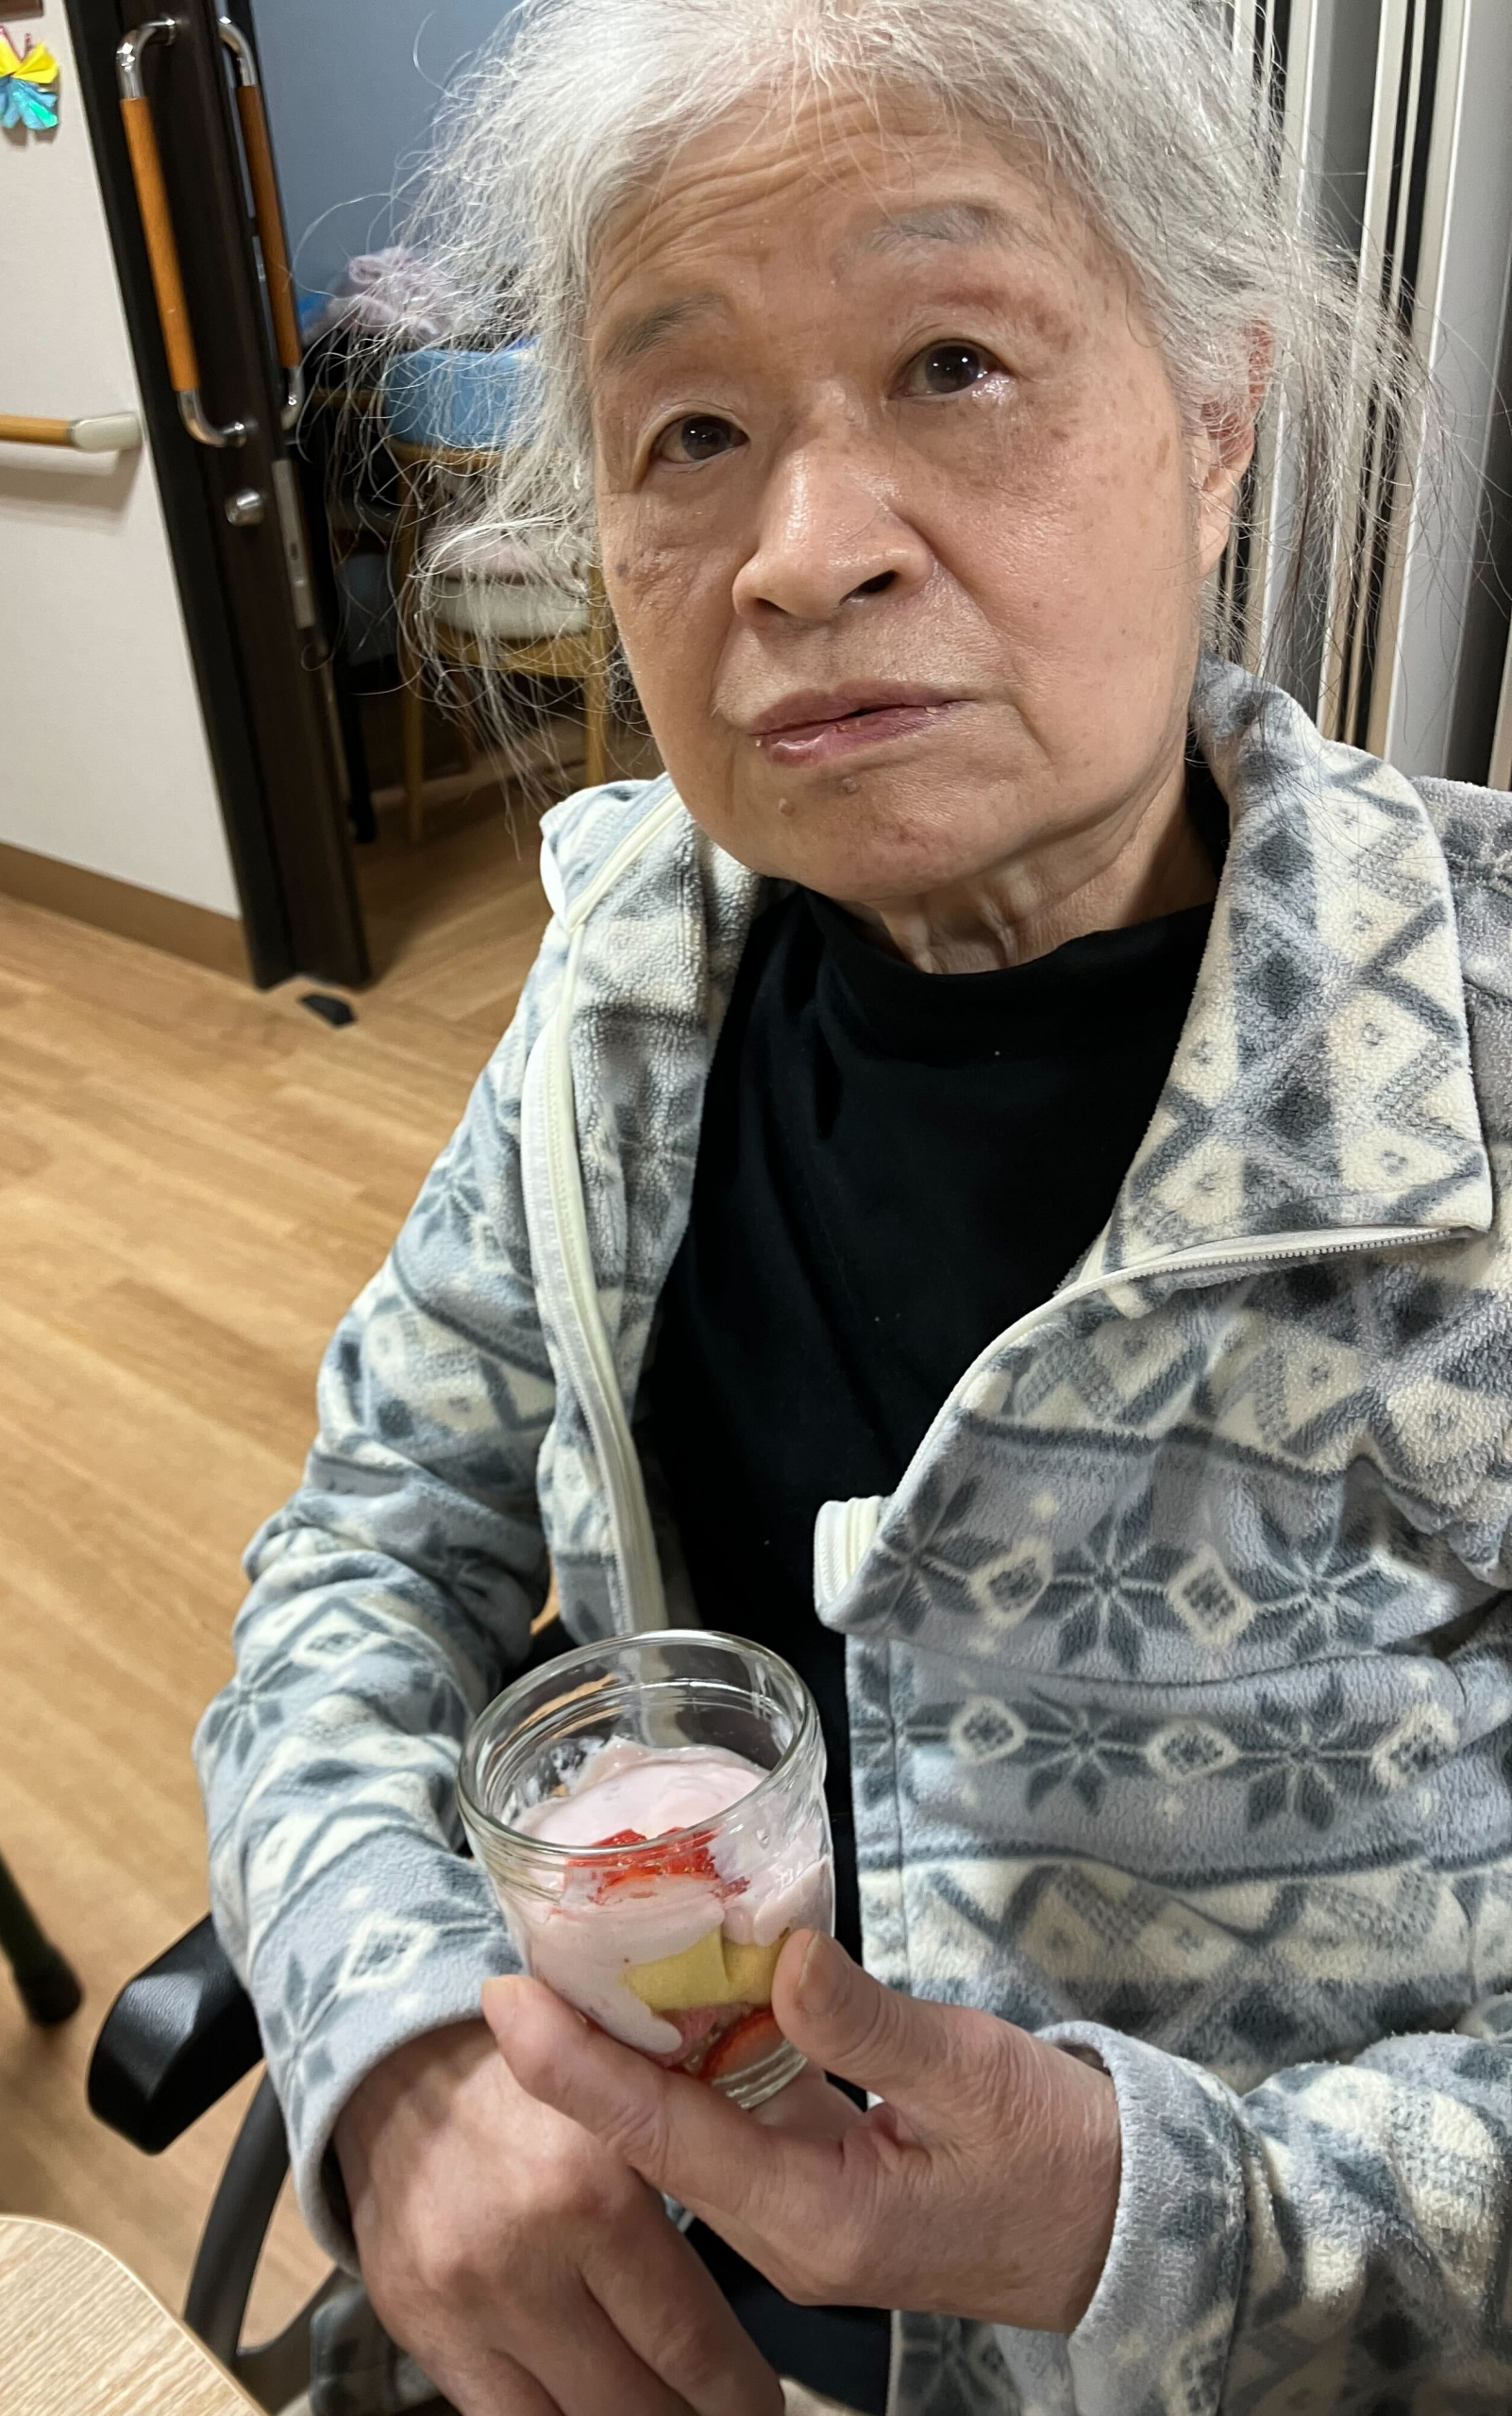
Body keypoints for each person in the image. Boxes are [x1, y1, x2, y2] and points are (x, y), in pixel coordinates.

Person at [194, 2, 1512, 2409]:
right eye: (691, 431)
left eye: (954, 362)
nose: (807, 554)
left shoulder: (1481, 1057)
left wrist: (1147, 2215)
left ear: (1217, 417)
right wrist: (399, 2045)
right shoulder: (616, 990)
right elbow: (365, 1551)